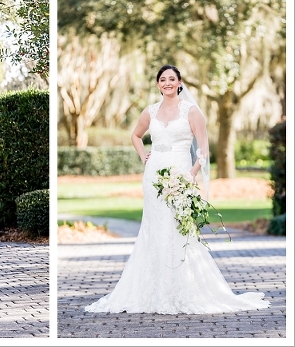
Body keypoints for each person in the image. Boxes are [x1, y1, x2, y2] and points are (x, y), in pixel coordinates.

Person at [84, 65, 270, 314]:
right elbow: (136, 136)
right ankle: (151, 289)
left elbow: (203, 149)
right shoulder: (150, 111)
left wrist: (190, 175)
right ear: (158, 84)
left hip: (181, 175)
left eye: (172, 79)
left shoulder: (192, 111)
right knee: (153, 229)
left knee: (178, 230)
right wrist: (144, 158)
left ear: (180, 82)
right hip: (153, 178)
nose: (167, 83)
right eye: (163, 79)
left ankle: (182, 288)